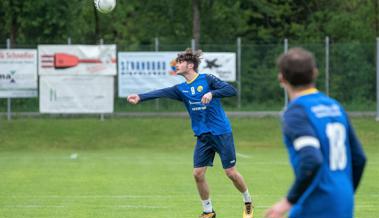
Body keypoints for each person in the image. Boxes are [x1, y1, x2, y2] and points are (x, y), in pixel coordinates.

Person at [127, 48, 254, 218]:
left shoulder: (207, 79)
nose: (176, 65)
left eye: (179, 62)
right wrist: (140, 97)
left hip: (221, 132)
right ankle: (208, 212)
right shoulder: (181, 89)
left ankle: (247, 202)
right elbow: (161, 92)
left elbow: (231, 90)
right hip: (203, 136)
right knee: (198, 174)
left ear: (190, 65)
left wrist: (212, 93)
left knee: (230, 173)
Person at [265, 48, 367, 218]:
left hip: (315, 205)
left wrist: (288, 202)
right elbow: (359, 158)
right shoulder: (334, 106)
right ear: (315, 73)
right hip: (343, 204)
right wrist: (343, 193)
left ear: (281, 78)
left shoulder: (297, 112)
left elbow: (311, 159)